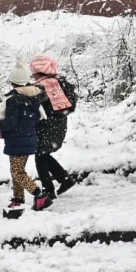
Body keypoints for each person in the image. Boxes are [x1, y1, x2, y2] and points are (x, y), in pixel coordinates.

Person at [0, 58, 53, 213]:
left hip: (18, 140)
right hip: (26, 139)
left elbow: (10, 123)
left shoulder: (14, 100)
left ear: (13, 81)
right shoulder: (33, 96)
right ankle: (18, 199)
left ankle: (39, 195)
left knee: (17, 172)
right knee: (16, 171)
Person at [29, 55, 77, 199]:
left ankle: (48, 191)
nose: (32, 75)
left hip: (45, 126)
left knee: (40, 156)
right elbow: (71, 104)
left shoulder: (39, 88)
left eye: (33, 72)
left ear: (39, 72)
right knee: (44, 154)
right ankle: (64, 179)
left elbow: (36, 109)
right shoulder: (61, 83)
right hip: (59, 125)